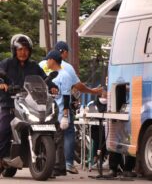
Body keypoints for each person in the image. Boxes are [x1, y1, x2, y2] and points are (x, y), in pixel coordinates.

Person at [39, 41, 103, 174]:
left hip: (44, 108)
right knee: (65, 135)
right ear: (64, 53)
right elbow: (77, 87)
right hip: (58, 109)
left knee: (52, 135)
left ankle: (52, 165)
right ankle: (66, 163)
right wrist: (93, 91)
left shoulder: (41, 65)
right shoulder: (66, 68)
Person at [0, 34, 57, 172]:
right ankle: (1, 158)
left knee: (47, 123)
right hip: (10, 103)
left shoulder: (34, 66)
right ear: (14, 50)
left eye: (26, 49)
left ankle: (46, 162)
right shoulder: (7, 63)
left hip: (29, 104)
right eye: (20, 49)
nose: (23, 52)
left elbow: (44, 79)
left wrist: (53, 86)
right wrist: (2, 83)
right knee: (4, 129)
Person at [45, 50, 73, 177]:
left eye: (48, 59)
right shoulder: (51, 75)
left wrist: (65, 116)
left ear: (52, 60)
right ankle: (59, 167)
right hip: (52, 112)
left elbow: (67, 96)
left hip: (61, 113)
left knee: (57, 141)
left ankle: (57, 167)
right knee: (54, 140)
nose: (46, 62)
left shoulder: (65, 75)